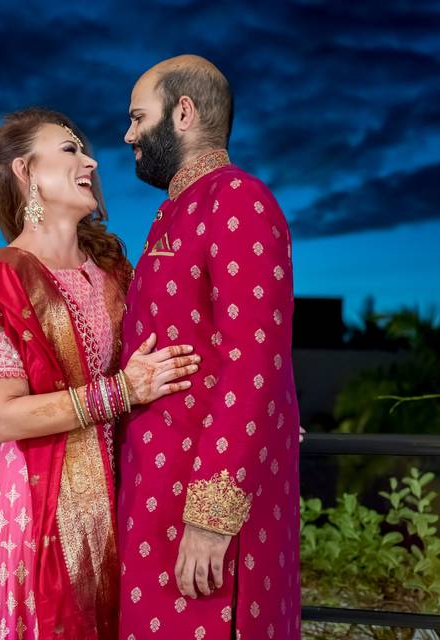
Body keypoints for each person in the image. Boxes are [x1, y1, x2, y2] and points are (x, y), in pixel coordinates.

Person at [0, 108, 199, 640]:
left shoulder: (111, 271)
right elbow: (3, 418)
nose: (92, 160)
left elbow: (172, 355)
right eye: (70, 149)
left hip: (125, 490)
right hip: (36, 507)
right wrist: (122, 390)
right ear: (26, 172)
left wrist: (256, 412)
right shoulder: (2, 283)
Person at [117, 55, 302, 639]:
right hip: (154, 494)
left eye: (137, 117)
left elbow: (256, 366)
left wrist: (212, 520)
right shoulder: (176, 210)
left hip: (204, 509)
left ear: (183, 112)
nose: (128, 135)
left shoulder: (239, 201)